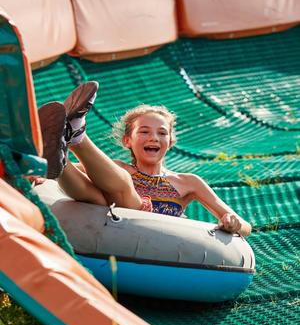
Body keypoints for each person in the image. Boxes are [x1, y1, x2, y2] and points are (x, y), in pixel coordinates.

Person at [38, 81, 252, 236]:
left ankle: (76, 136)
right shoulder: (118, 169)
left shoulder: (188, 182)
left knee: (122, 189)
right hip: (112, 232)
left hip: (161, 240)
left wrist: (232, 222)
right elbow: (79, 181)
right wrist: (39, 173)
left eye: (161, 133)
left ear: (171, 141)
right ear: (127, 141)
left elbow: (245, 227)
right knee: (99, 196)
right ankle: (60, 156)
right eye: (144, 132)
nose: (153, 138)